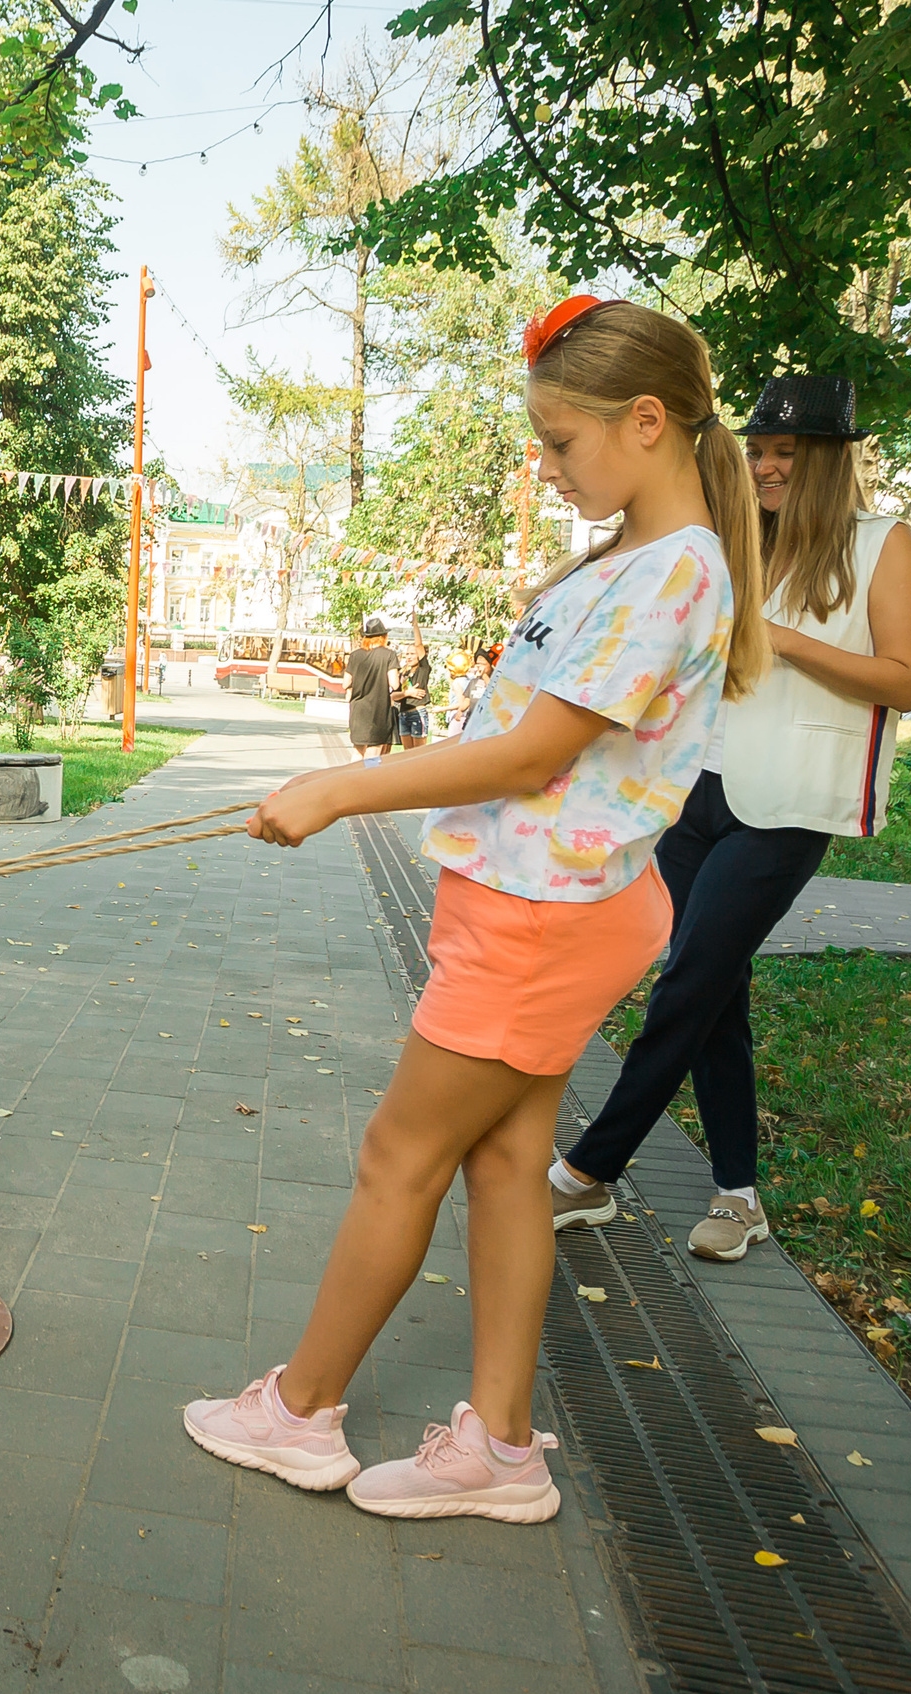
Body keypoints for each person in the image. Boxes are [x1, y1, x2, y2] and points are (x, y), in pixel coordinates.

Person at [180, 296, 768, 1522]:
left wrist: (342, 787)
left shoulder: (672, 574)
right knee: (505, 1165)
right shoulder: (631, 562)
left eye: (562, 444)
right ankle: (501, 1450)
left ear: (647, 422)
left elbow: (524, 759)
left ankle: (297, 1413)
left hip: (541, 918)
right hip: (536, 906)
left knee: (400, 1156)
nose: (549, 469)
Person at [552, 375, 911, 1260]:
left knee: (689, 976)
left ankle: (588, 1172)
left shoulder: (883, 544)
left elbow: (907, 677)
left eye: (785, 454)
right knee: (716, 989)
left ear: (832, 461)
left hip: (791, 799)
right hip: (698, 789)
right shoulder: (734, 545)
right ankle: (738, 1193)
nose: (764, 466)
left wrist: (781, 636)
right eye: (758, 450)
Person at [345, 615, 398, 761]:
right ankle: (368, 782)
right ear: (383, 637)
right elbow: (394, 683)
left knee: (357, 751)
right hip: (379, 710)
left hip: (358, 709)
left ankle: (352, 780)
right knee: (373, 753)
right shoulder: (389, 655)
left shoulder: (355, 655)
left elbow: (345, 683)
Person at [392, 638, 434, 750]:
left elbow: (419, 644)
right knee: (407, 753)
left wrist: (415, 624)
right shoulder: (404, 673)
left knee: (418, 752)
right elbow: (393, 696)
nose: (409, 657)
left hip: (417, 713)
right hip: (403, 715)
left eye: (412, 654)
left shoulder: (423, 669)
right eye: (407, 654)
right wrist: (407, 693)